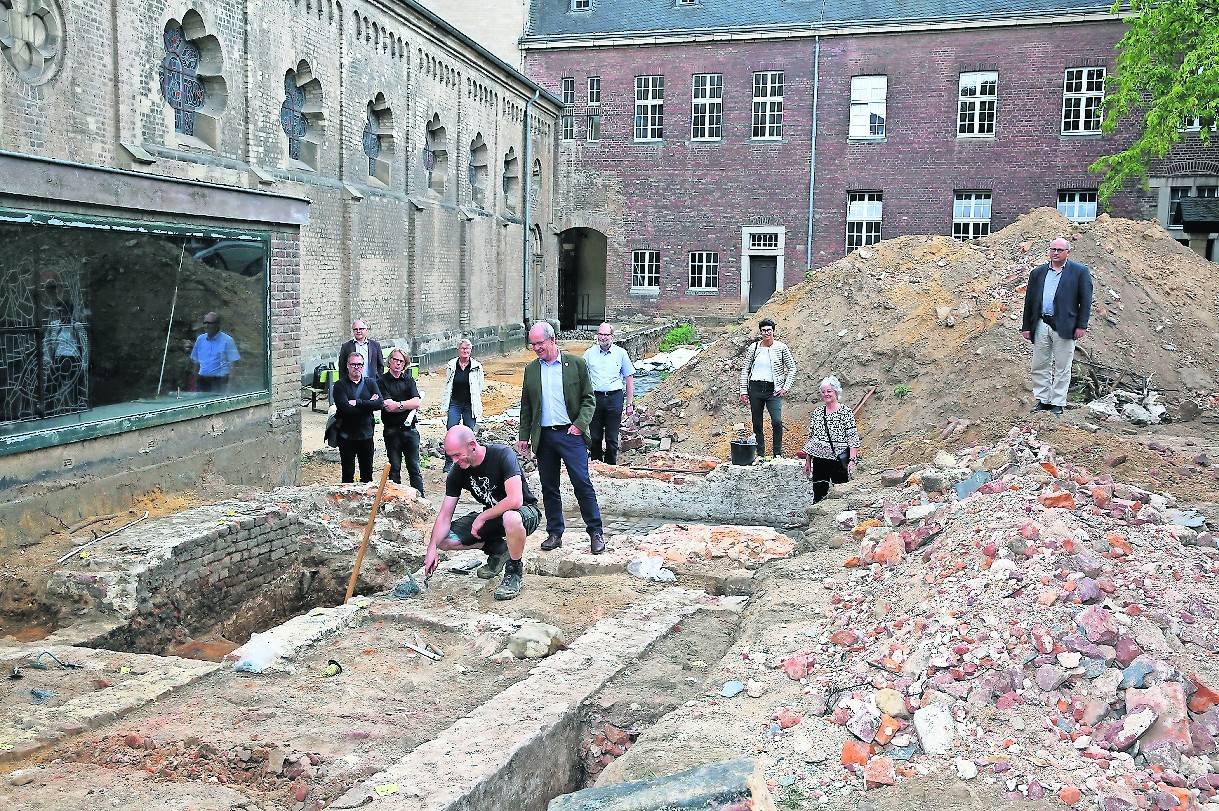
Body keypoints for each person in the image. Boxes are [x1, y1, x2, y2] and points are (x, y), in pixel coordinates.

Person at [516, 321, 605, 554]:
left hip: (570, 434)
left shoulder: (576, 364)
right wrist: (523, 435)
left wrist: (579, 425)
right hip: (544, 437)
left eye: (539, 343)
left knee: (582, 483)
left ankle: (595, 532)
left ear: (552, 340)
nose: (536, 348)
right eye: (533, 344)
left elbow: (589, 399)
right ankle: (555, 533)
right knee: (549, 487)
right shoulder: (531, 370)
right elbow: (526, 406)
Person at [424, 426, 541, 601]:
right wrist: (431, 549)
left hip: (524, 512)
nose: (454, 461)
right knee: (443, 539)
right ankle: (499, 550)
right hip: (493, 517)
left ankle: (514, 570)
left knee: (510, 517)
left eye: (457, 455)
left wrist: (483, 517)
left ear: (472, 445)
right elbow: (444, 516)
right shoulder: (458, 471)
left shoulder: (502, 454)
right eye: (451, 457)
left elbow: (515, 500)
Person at [1021, 236, 1093, 415]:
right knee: (1040, 364)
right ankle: (1043, 400)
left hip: (1065, 325)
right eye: (1053, 249)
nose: (1055, 253)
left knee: (1062, 366)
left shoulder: (1079, 272)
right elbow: (1029, 301)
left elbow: (1085, 301)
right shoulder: (1038, 273)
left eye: (1059, 250)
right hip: (1041, 323)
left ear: (1068, 252)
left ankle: (1058, 403)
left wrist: (1081, 325)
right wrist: (1026, 326)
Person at [738, 318, 797, 458]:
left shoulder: (781, 347)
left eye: (769, 330)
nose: (766, 333)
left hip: (773, 390)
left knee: (777, 421)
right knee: (757, 423)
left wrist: (785, 387)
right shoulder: (754, 348)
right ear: (760, 332)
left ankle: (777, 453)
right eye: (764, 330)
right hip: (755, 388)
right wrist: (743, 391)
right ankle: (761, 453)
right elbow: (745, 369)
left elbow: (792, 368)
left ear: (773, 331)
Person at [582, 323, 635, 465]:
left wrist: (629, 404)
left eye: (606, 335)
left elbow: (629, 377)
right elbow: (581, 377)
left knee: (612, 438)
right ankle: (596, 467)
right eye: (600, 334)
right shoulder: (589, 353)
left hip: (614, 398)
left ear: (612, 336)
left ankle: (611, 467)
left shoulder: (621, 353)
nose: (603, 338)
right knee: (594, 437)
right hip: (595, 399)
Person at [802, 376, 860, 503]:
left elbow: (852, 437)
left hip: (838, 458)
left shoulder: (845, 412)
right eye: (823, 392)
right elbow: (811, 438)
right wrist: (808, 461)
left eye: (829, 391)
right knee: (818, 493)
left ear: (836, 392)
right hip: (819, 460)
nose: (826, 394)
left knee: (841, 493)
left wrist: (852, 460)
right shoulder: (817, 412)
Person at [379, 347, 424, 494]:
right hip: (392, 431)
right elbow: (388, 407)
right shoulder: (382, 381)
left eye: (401, 361)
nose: (398, 364)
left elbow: (417, 402)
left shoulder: (409, 379)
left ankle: (420, 498)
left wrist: (399, 405)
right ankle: (396, 499)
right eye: (395, 360)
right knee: (394, 468)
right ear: (390, 361)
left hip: (410, 430)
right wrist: (406, 404)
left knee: (414, 468)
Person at [332, 353, 382, 483]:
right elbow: (346, 409)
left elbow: (379, 403)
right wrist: (368, 403)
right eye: (353, 364)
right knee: (347, 474)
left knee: (367, 474)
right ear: (348, 366)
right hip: (346, 436)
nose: (356, 367)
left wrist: (358, 402)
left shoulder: (370, 383)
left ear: (363, 366)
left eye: (359, 364)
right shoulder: (339, 385)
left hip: (366, 436)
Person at [440, 338, 485, 472]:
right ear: (458, 350)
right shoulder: (452, 365)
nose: (465, 351)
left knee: (469, 435)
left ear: (471, 350)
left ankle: (470, 462)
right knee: (451, 431)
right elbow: (448, 383)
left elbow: (480, 385)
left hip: (469, 405)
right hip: (455, 403)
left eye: (467, 349)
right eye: (462, 349)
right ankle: (449, 463)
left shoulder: (476, 366)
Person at [42, 301, 88, 409]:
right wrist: (47, 358)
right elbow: (46, 341)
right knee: (51, 383)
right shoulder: (54, 326)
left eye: (65, 313)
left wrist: (84, 364)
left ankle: (77, 405)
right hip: (59, 359)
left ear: (70, 313)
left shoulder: (76, 326)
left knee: (77, 384)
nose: (62, 315)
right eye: (60, 313)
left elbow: (85, 345)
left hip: (74, 359)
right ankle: (48, 407)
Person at [190, 311, 240, 393]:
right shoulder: (200, 339)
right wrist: (193, 382)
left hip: (220, 381)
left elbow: (233, 365)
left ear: (218, 325)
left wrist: (229, 387)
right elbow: (196, 362)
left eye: (209, 323)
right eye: (205, 323)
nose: (206, 326)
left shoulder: (227, 340)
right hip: (202, 381)